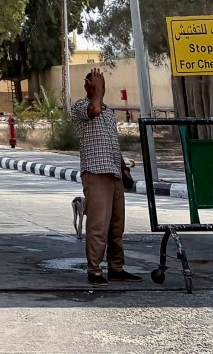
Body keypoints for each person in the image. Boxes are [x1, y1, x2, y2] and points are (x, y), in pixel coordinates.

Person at [71, 68, 139, 284]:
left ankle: (116, 267)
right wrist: (98, 91)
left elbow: (113, 143)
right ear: (86, 86)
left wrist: (124, 169)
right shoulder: (80, 107)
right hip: (95, 172)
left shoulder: (109, 113)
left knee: (117, 225)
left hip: (113, 171)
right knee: (98, 224)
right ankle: (94, 270)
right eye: (95, 83)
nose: (100, 87)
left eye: (101, 83)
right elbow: (94, 109)